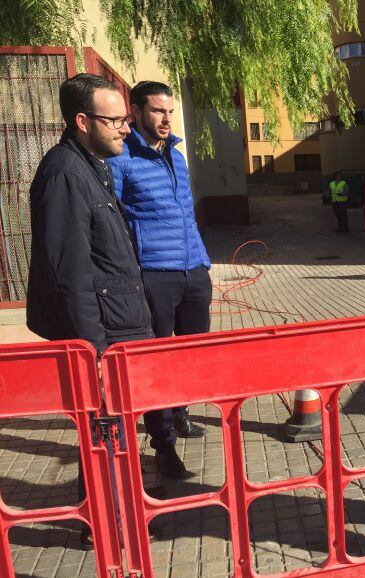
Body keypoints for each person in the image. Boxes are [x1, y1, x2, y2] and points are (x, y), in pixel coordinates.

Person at [26, 73, 161, 547]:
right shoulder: (65, 172)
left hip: (119, 327)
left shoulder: (92, 164)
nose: (127, 128)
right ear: (82, 121)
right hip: (103, 337)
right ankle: (110, 525)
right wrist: (94, 352)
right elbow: (71, 275)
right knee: (106, 436)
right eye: (116, 120)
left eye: (126, 118)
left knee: (116, 433)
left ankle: (120, 512)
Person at [108, 81, 210, 450]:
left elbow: (186, 214)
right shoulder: (122, 158)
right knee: (156, 357)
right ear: (135, 112)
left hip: (193, 271)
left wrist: (202, 263)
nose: (166, 119)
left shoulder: (177, 157)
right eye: (157, 111)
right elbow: (112, 218)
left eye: (169, 111)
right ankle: (162, 440)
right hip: (153, 274)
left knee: (190, 354)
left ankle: (180, 414)